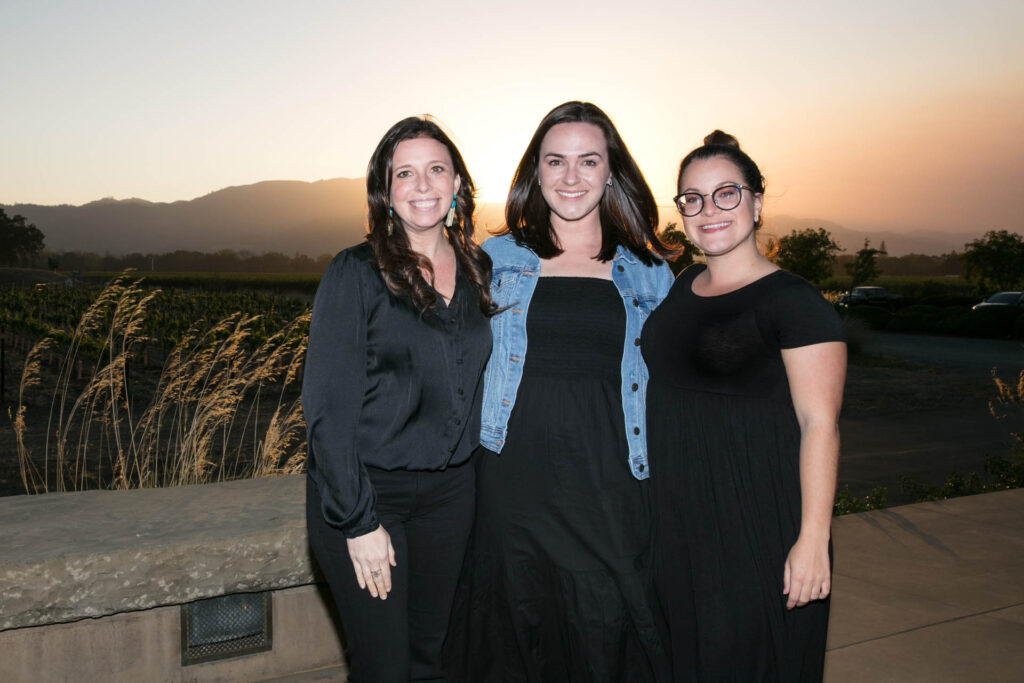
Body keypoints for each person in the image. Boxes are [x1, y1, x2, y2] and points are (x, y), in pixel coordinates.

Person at [445, 101, 675, 681]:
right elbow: (447, 360)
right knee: (516, 621)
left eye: (588, 160)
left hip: (611, 480)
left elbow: (676, 381)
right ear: (536, 171)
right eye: (556, 161)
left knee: (609, 617)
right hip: (512, 480)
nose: (571, 177)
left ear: (610, 171)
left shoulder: (649, 270)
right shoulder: (493, 259)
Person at [641, 131, 846, 681]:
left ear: (756, 202)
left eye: (726, 193)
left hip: (755, 527)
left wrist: (811, 540)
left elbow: (819, 425)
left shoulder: (794, 302)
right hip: (678, 524)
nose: (709, 210)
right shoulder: (681, 287)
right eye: (693, 198)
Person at [302, 116, 495, 682]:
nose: (423, 184)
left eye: (436, 169)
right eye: (404, 173)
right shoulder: (356, 273)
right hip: (368, 494)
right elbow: (327, 411)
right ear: (385, 191)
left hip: (452, 496)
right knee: (385, 667)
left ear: (457, 183)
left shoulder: (479, 270)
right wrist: (357, 522)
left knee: (432, 660)